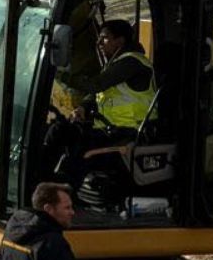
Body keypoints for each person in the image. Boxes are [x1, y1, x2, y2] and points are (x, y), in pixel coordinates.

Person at [46, 19, 157, 195]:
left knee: (81, 150)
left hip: (128, 132)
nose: (98, 43)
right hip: (107, 129)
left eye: (104, 38)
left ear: (120, 41)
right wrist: (83, 107)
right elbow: (99, 93)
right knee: (58, 131)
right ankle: (43, 182)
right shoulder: (114, 63)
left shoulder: (132, 63)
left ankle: (63, 196)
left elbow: (95, 85)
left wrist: (58, 74)